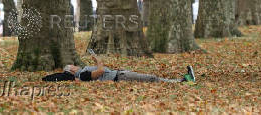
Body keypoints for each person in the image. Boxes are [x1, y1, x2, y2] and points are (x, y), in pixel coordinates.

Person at [63, 54, 195, 83]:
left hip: (120, 74)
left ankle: (182, 80)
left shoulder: (83, 72)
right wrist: (98, 61)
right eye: (73, 65)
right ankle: (183, 81)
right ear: (72, 70)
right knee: (151, 79)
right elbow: (101, 71)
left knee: (151, 78)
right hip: (120, 77)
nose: (76, 65)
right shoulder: (83, 75)